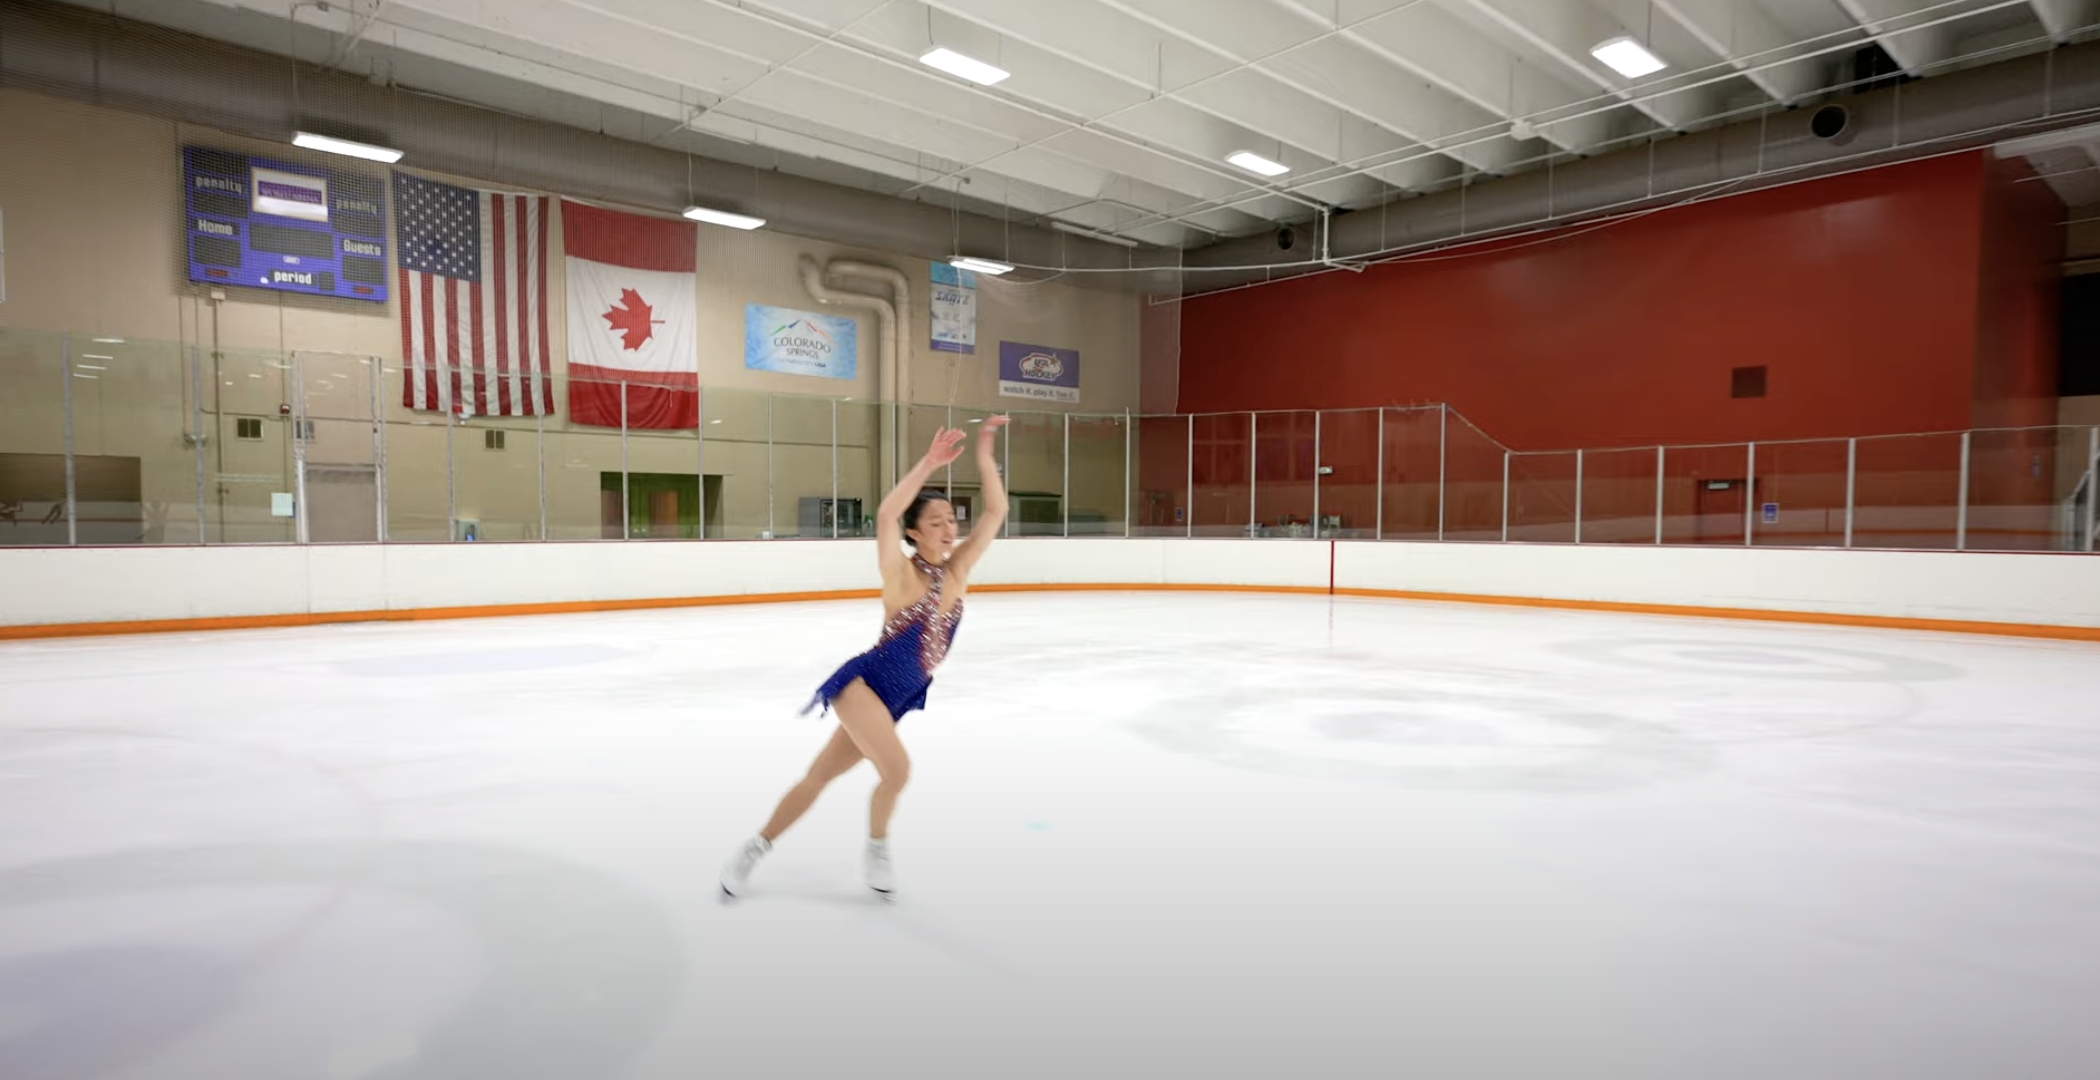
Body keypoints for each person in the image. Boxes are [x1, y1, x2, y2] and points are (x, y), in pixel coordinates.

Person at [720, 418, 1010, 899]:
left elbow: (996, 510)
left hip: (899, 695)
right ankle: (877, 848)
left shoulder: (958, 571)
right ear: (915, 534)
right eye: (934, 521)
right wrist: (929, 464)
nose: (947, 527)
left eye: (951, 520)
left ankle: (754, 846)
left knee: (818, 777)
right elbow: (886, 514)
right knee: (897, 771)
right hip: (863, 685)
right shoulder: (899, 574)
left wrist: (985, 449)